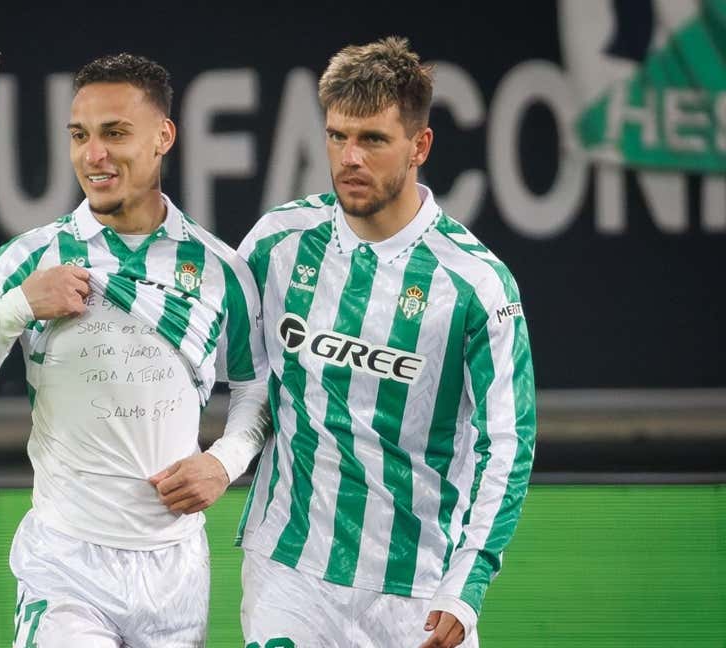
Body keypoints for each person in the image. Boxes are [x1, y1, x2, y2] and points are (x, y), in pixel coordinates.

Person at [0, 53, 269, 648]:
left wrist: (224, 462)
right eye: (79, 136)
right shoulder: (33, 257)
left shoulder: (219, 269)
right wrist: (18, 307)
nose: (93, 155)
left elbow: (258, 388)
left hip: (175, 571)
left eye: (115, 134)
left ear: (164, 137)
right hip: (66, 563)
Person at [235, 37, 536, 648]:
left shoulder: (476, 283)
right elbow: (223, 362)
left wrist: (469, 580)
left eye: (372, 139)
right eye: (337, 136)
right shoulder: (278, 242)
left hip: (418, 588)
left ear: (419, 145)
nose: (349, 157)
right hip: (289, 572)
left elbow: (507, 441)